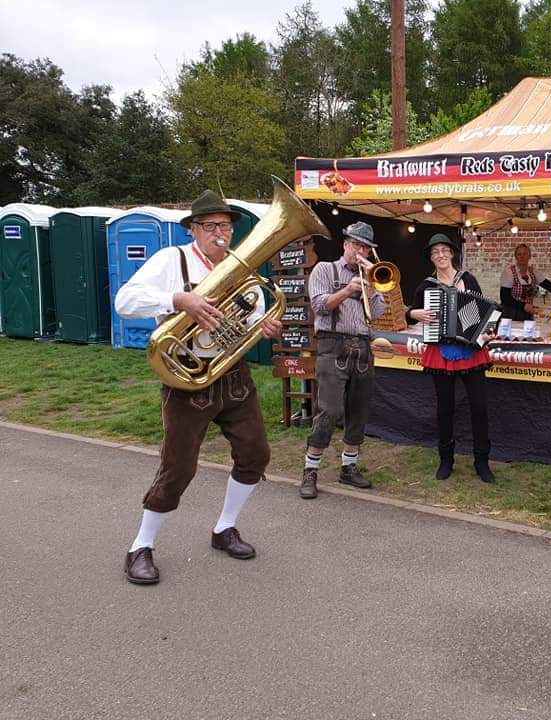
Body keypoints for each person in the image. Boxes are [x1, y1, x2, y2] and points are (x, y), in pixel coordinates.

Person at [116, 190, 283, 585]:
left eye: (225, 226)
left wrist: (264, 327)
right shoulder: (171, 260)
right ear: (193, 229)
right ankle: (141, 546)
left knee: (255, 454)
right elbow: (125, 300)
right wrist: (179, 299)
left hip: (233, 376)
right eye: (210, 226)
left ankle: (225, 528)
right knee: (178, 467)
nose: (219, 233)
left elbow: (251, 319)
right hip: (187, 378)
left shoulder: (242, 270)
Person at [299, 221, 385, 499]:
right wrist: (348, 290)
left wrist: (373, 286)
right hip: (332, 345)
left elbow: (380, 312)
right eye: (357, 245)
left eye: (366, 248)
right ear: (345, 244)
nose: (361, 251)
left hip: (362, 347)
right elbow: (319, 305)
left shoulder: (372, 276)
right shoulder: (325, 269)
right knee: (330, 410)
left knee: (358, 411)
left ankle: (348, 468)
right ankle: (310, 470)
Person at [406, 233, 496, 483]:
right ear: (431, 258)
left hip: (472, 351)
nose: (441, 255)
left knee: (479, 408)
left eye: (445, 250)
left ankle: (482, 462)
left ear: (452, 253)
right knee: (445, 409)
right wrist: (417, 313)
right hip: (441, 351)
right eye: (435, 252)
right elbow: (408, 313)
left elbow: (484, 313)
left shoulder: (468, 280)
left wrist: (486, 333)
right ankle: (446, 460)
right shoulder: (426, 286)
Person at [499, 243, 539, 321]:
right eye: (519, 254)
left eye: (525, 254)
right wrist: (524, 306)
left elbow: (549, 285)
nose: (522, 257)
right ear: (516, 256)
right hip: (511, 313)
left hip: (527, 314)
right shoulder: (509, 272)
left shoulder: (533, 272)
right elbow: (504, 297)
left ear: (529, 256)